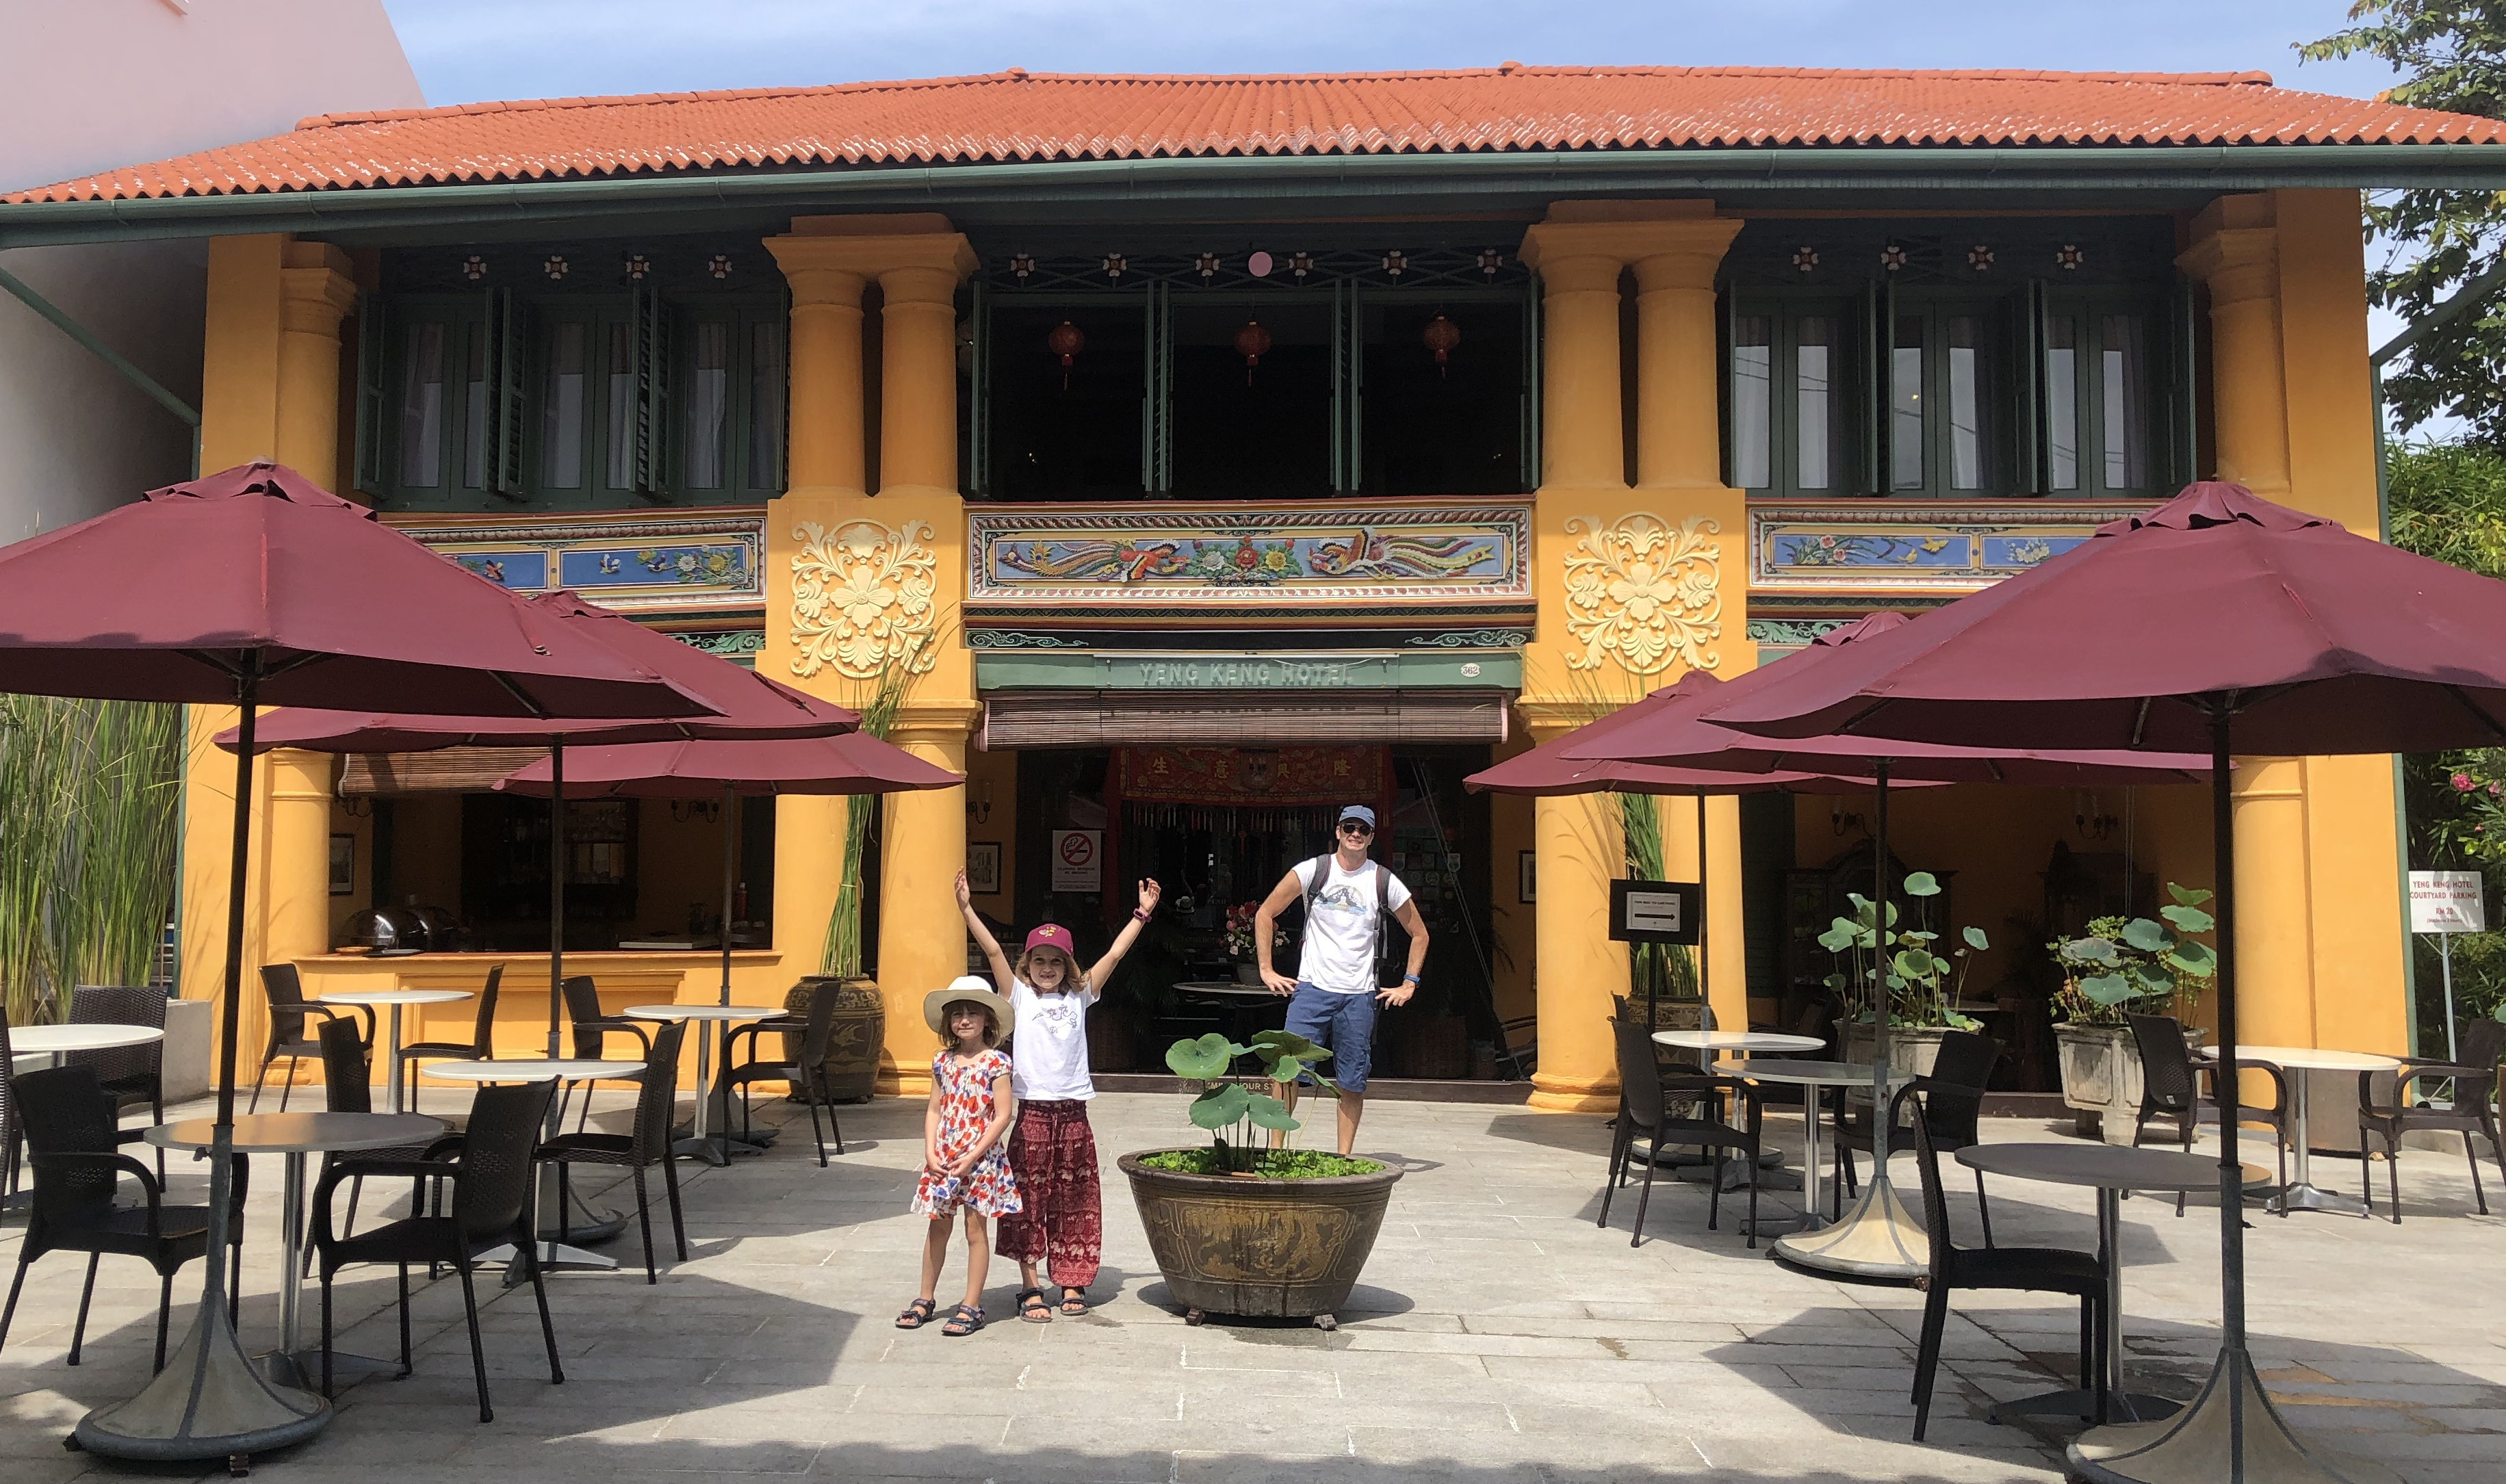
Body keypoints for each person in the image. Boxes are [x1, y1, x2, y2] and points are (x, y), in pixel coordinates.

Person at [957, 871, 1162, 1321]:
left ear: (1068, 964)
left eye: (1056, 960)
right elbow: (993, 949)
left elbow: (1116, 952)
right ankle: (1031, 1286)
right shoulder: (1018, 997)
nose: (1047, 968)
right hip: (1030, 1111)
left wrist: (1142, 913)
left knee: (1074, 1199)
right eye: (1039, 960)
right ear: (1026, 964)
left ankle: (1071, 1281)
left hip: (1073, 1113)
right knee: (1027, 1200)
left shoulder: (1082, 993)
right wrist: (967, 909)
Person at [1251, 803, 1430, 1156]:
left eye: (1363, 830)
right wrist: (1266, 969)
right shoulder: (1313, 871)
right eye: (1349, 827)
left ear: (1371, 837)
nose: (1355, 835)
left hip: (1358, 996)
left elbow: (1420, 934)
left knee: (1352, 1080)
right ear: (1337, 831)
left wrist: (1410, 983)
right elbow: (1265, 913)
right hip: (1312, 990)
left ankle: (1343, 1157)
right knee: (1287, 1072)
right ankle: (1275, 1151)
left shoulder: (1382, 880)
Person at [899, 978, 1019, 1338]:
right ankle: (925, 1297)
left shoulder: (996, 1062)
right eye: (957, 1014)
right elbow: (934, 1109)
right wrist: (930, 1150)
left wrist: (973, 1156)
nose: (964, 1020)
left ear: (987, 1020)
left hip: (980, 1158)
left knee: (975, 1229)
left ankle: (971, 1304)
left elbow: (1002, 1115)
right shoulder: (942, 1062)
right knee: (937, 1225)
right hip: (946, 1155)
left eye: (972, 1014)